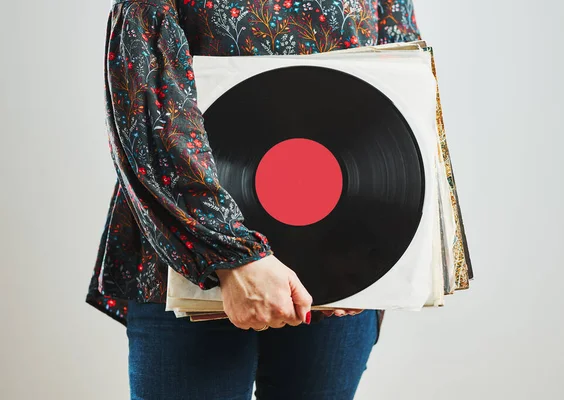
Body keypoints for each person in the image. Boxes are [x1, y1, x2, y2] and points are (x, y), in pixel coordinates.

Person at [86, 0, 422, 398]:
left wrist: (370, 254)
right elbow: (147, 103)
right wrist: (234, 256)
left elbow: (403, 84)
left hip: (339, 270)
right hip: (191, 260)